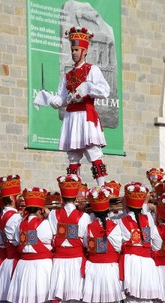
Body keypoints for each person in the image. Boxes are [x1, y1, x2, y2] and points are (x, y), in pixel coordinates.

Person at [37, 26, 110, 186]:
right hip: (71, 117)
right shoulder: (68, 75)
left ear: (85, 51)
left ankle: (102, 188)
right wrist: (47, 97)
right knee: (73, 156)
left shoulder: (92, 70)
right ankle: (74, 190)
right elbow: (61, 100)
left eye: (77, 50)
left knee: (93, 152)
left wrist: (88, 87)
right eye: (72, 50)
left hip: (86, 114)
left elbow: (105, 90)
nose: (74, 53)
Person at [7, 187, 55, 303]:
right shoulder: (45, 225)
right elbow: (54, 241)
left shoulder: (20, 224)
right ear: (41, 209)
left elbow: (15, 242)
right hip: (41, 267)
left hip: (24, 267)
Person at [47, 175, 91, 303]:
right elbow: (87, 242)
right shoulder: (84, 217)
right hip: (76, 262)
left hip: (59, 263)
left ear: (62, 196)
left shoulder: (53, 215)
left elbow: (50, 239)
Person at [119, 182, 162, 303]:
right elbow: (157, 242)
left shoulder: (121, 221)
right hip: (147, 264)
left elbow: (117, 245)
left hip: (131, 264)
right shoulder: (148, 218)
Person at [83, 187, 125, 303]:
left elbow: (87, 246)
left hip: (94, 270)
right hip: (110, 271)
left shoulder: (89, 227)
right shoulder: (115, 227)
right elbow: (119, 247)